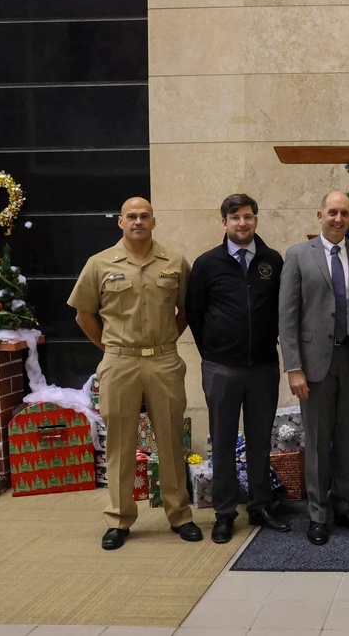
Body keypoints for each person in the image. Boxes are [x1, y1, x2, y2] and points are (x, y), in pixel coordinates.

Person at [68, 197, 201, 550]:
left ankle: (180, 515)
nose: (138, 221)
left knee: (171, 439)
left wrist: (165, 339)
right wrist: (112, 349)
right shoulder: (98, 264)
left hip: (163, 360)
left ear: (154, 221)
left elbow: (187, 309)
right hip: (119, 362)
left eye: (144, 216)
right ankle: (120, 519)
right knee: (120, 442)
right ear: (121, 223)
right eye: (132, 216)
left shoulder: (174, 263)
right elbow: (84, 315)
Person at [279, 190, 349, 545]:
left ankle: (344, 505)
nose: (338, 218)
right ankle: (318, 514)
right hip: (313, 366)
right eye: (332, 212)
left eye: (344, 213)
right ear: (319, 215)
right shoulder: (297, 256)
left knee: (346, 439)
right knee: (316, 439)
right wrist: (293, 367)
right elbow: (288, 316)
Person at [186, 194, 289, 543]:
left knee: (261, 441)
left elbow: (281, 312)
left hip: (262, 367)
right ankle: (225, 513)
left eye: (248, 216)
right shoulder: (206, 264)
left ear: (256, 220)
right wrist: (213, 353)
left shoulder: (272, 261)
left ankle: (260, 505)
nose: (242, 223)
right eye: (235, 218)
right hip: (221, 368)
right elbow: (194, 315)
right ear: (224, 223)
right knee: (224, 441)